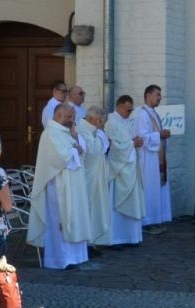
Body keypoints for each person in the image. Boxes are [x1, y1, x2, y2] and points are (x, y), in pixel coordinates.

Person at [29, 103, 91, 269]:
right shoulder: (50, 133)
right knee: (61, 220)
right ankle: (61, 259)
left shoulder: (67, 132)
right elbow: (60, 157)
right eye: (69, 116)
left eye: (73, 116)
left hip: (73, 184)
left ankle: (76, 256)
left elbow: (82, 149)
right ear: (58, 115)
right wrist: (75, 149)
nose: (72, 120)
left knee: (75, 217)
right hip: (58, 185)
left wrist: (75, 137)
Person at [104, 95, 145, 247]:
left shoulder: (125, 122)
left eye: (131, 109)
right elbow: (112, 147)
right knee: (116, 205)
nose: (130, 112)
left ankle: (131, 237)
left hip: (131, 168)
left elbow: (127, 142)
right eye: (128, 109)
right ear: (119, 107)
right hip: (119, 171)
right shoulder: (111, 123)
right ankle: (116, 238)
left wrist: (134, 143)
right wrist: (131, 144)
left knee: (133, 202)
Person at [131, 85, 173, 232]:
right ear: (148, 95)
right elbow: (141, 138)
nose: (159, 97)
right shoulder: (142, 114)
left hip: (157, 158)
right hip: (147, 159)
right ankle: (146, 222)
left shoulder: (153, 113)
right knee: (149, 189)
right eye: (157, 95)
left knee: (157, 188)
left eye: (160, 95)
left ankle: (155, 219)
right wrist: (159, 135)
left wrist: (163, 135)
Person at [81, 105, 115, 247]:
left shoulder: (93, 130)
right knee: (88, 207)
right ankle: (86, 242)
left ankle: (93, 240)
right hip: (88, 176)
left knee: (96, 208)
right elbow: (93, 150)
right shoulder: (82, 129)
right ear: (91, 119)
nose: (101, 125)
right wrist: (102, 137)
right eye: (100, 121)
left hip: (97, 176)